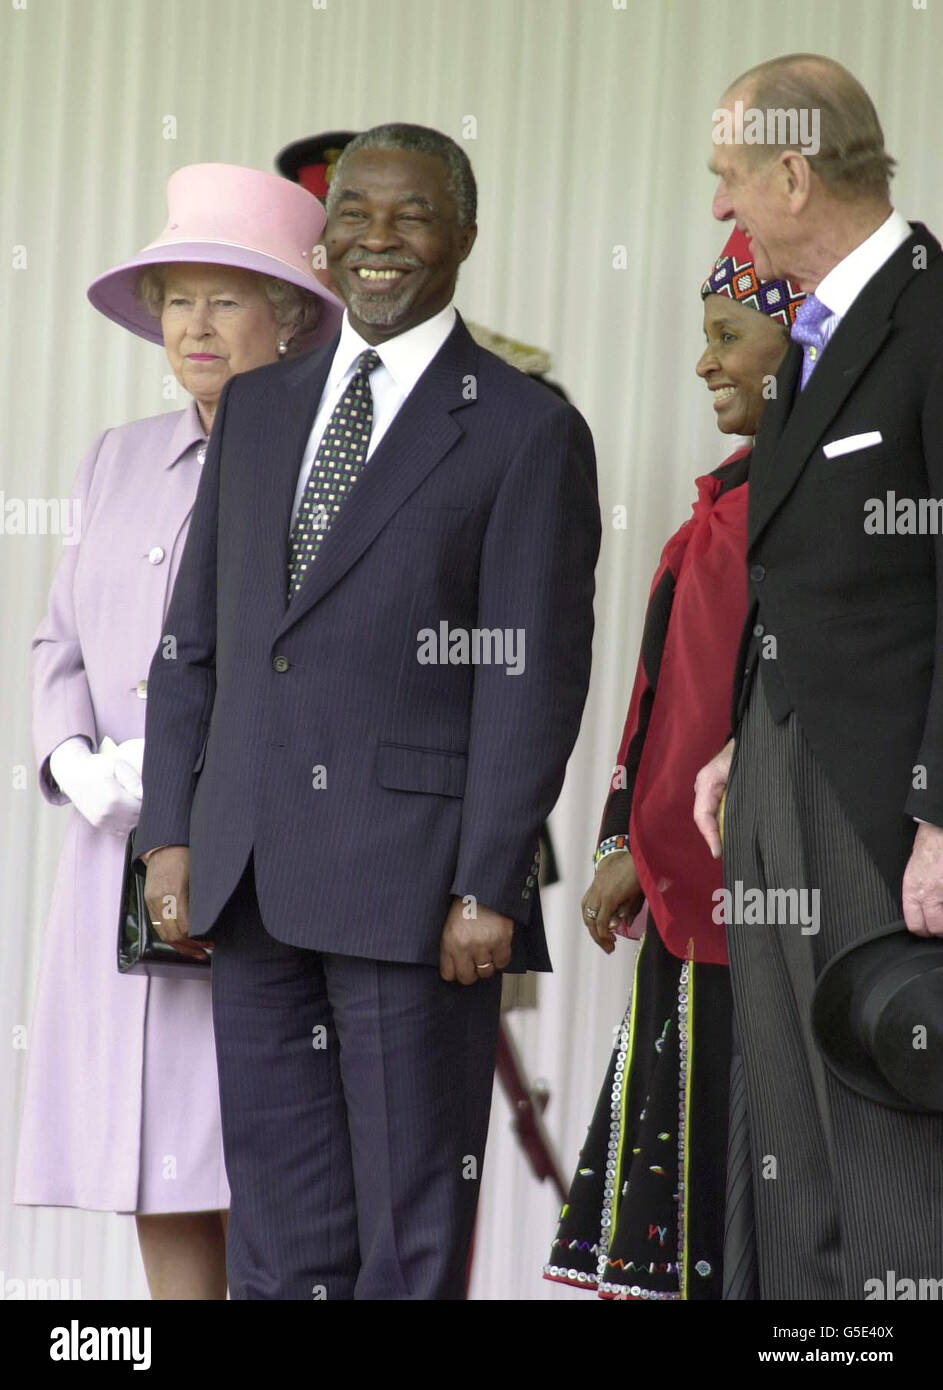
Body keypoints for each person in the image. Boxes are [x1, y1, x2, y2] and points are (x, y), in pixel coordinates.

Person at [133, 123, 601, 1300]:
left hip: (414, 889)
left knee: (406, 1236)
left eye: (411, 216)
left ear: (465, 239)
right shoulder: (257, 408)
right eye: (355, 214)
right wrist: (169, 832)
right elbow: (194, 643)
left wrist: (489, 882)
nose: (376, 241)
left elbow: (529, 676)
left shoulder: (525, 426)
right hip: (247, 878)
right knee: (282, 1233)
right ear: (323, 235)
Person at [16, 163, 341, 1300]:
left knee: (244, 1151)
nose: (195, 326)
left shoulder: (324, 468)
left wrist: (181, 776)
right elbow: (57, 641)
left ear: (293, 314)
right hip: (111, 855)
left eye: (227, 296)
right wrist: (69, 759)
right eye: (176, 298)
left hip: (242, 859)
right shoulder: (116, 454)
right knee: (144, 1159)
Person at [694, 53, 943, 1299]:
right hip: (785, 773)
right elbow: (802, 568)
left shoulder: (931, 311)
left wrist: (942, 816)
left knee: (888, 1125)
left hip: (883, 803)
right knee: (790, 1141)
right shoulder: (808, 334)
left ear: (794, 172)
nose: (723, 209)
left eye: (730, 179)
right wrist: (746, 732)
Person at [544, 230, 804, 1300]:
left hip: (759, 916)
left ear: (804, 341)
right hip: (688, 911)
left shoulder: (803, 516)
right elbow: (661, 705)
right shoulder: (722, 510)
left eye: (727, 335)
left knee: (756, 1207)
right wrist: (620, 841)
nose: (704, 361)